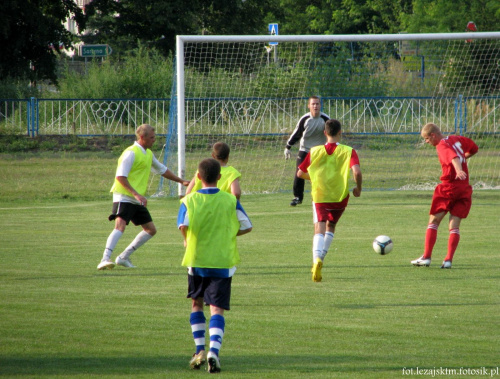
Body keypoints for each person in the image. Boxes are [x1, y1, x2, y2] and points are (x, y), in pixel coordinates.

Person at [178, 158, 252, 373]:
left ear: (198, 177)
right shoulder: (230, 200)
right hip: (223, 260)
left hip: (197, 260)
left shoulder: (189, 200)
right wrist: (229, 233)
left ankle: (199, 349)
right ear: (220, 178)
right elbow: (247, 226)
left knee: (197, 303)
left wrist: (188, 238)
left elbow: (183, 225)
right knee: (217, 308)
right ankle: (214, 353)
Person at [97, 124, 190, 270]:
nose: (155, 140)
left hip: (137, 198)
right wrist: (136, 194)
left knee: (150, 230)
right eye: (152, 138)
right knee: (120, 226)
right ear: (142, 137)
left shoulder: (148, 154)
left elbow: (162, 170)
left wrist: (182, 181)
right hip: (124, 196)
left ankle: (123, 257)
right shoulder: (130, 153)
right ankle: (105, 259)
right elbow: (120, 177)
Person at [297, 119, 362, 282]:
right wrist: (358, 188)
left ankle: (316, 260)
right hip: (340, 196)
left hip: (320, 195)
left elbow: (300, 173)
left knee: (319, 226)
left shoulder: (315, 151)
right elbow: (357, 172)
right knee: (331, 226)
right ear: (340, 132)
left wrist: (314, 179)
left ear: (325, 133)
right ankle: (322, 259)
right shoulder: (349, 151)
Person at [411, 123, 478, 269]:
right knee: (454, 226)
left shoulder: (441, 145)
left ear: (433, 135)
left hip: (449, 187)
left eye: (427, 139)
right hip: (464, 188)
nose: (427, 142)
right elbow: (474, 148)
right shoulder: (456, 139)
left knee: (433, 222)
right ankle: (448, 260)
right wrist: (464, 158)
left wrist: (459, 169)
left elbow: (453, 157)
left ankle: (427, 257)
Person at [284, 96, 330, 206]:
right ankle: (298, 197)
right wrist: (288, 147)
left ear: (320, 105)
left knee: (322, 174)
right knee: (299, 174)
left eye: (317, 104)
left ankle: (324, 196)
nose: (315, 106)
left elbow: (331, 134)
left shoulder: (325, 119)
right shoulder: (305, 119)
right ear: (308, 106)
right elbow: (297, 133)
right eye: (313, 104)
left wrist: (330, 148)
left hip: (320, 151)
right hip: (305, 150)